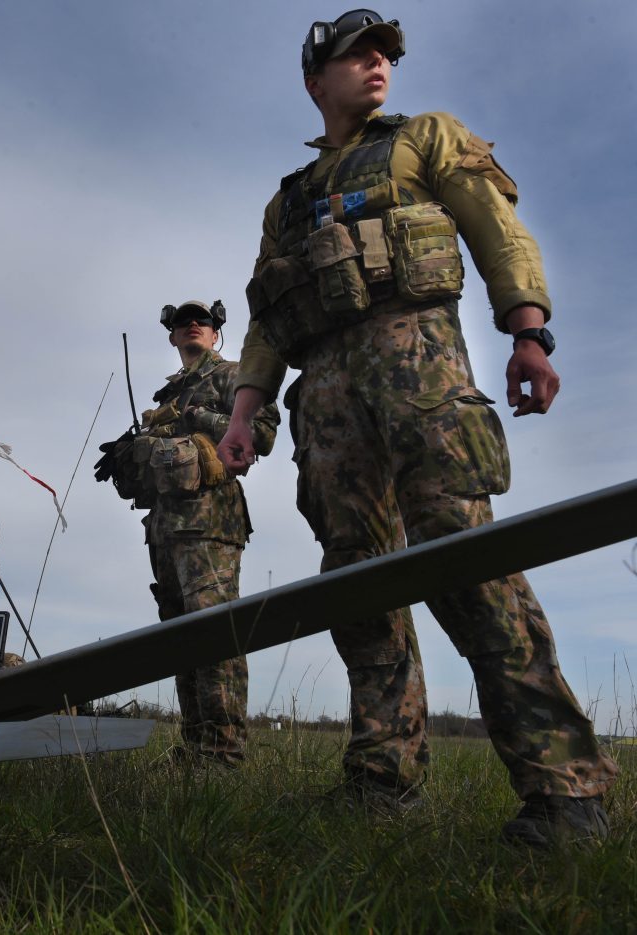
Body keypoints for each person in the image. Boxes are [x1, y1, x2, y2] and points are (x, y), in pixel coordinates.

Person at [216, 10, 616, 844]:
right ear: (313, 81)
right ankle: (381, 775)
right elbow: (265, 318)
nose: (376, 66)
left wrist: (529, 332)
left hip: (421, 370)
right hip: (323, 397)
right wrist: (245, 408)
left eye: (384, 56)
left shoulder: (426, 138)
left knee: (466, 561)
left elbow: (495, 226)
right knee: (356, 584)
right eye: (355, 56)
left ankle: (565, 788)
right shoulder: (285, 203)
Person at [144, 300, 279, 766]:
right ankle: (194, 745)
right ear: (172, 336)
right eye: (184, 322)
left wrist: (198, 416)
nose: (193, 326)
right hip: (164, 528)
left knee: (215, 632)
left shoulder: (232, 376)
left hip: (212, 524)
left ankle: (223, 751)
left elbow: (262, 434)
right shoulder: (167, 393)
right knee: (180, 637)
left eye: (202, 320)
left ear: (217, 332)